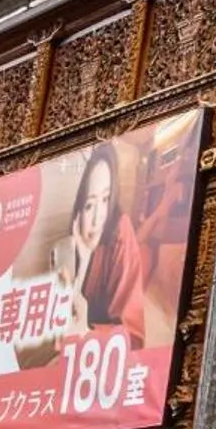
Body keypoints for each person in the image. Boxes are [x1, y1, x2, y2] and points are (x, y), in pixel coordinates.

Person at [55, 143, 148, 345]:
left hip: (108, 355)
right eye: (89, 205)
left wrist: (87, 332)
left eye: (105, 199)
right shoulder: (68, 246)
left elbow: (134, 338)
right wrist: (83, 261)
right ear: (78, 210)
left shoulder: (120, 231)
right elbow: (62, 332)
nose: (98, 219)